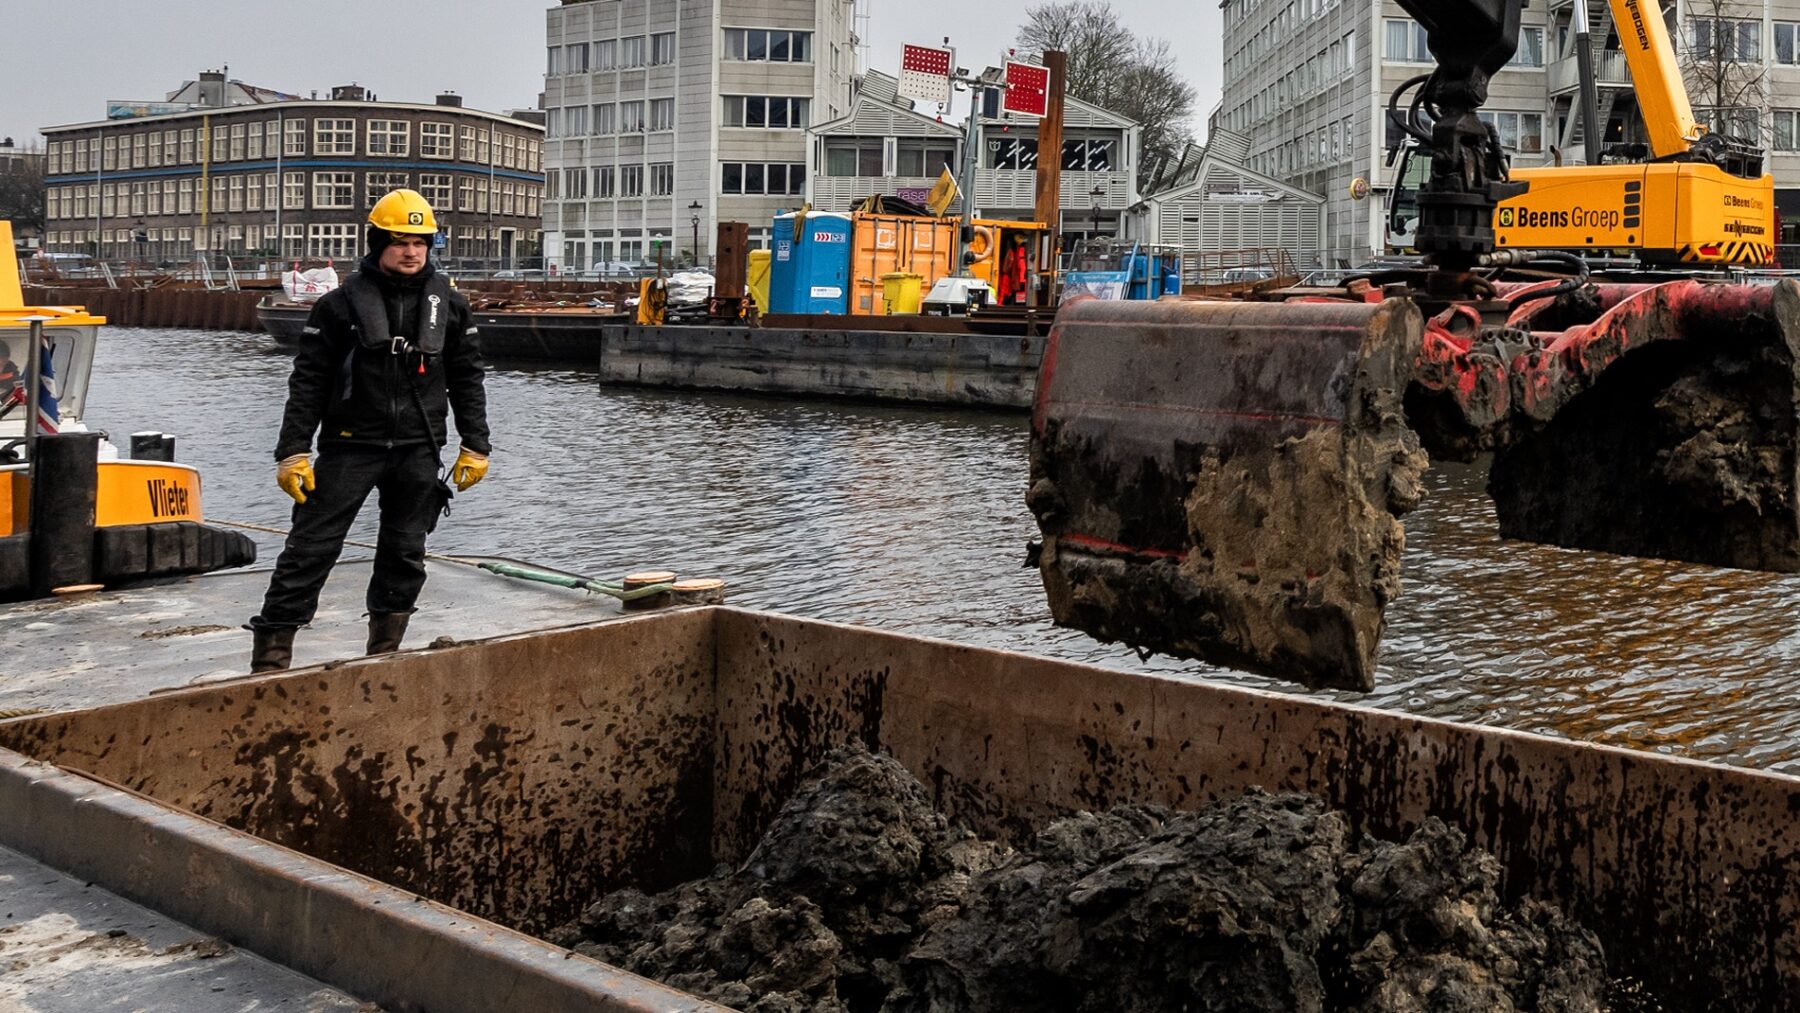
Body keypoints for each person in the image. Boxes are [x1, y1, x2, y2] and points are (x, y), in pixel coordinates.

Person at [246, 189, 490, 672]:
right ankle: (272, 656)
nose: (411, 252)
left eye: (421, 243)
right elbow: (309, 381)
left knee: (405, 552)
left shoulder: (451, 307)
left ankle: (384, 653)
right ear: (378, 241)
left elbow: (468, 379)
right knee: (309, 550)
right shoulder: (338, 307)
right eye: (400, 241)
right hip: (349, 448)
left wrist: (476, 445)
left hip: (419, 449)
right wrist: (292, 450)